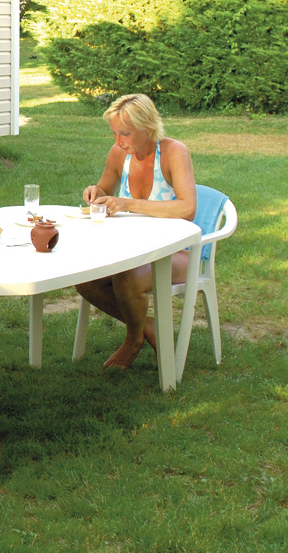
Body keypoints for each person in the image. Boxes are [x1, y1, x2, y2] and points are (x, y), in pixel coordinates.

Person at [78, 94, 198, 369]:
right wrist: (97, 193)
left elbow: (188, 208)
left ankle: (133, 340)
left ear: (147, 127)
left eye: (125, 134)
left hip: (175, 252)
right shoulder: (119, 153)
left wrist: (128, 203)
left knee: (126, 280)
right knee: (85, 280)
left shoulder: (173, 152)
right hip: (131, 250)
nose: (118, 141)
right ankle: (149, 328)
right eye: (114, 133)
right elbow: (105, 190)